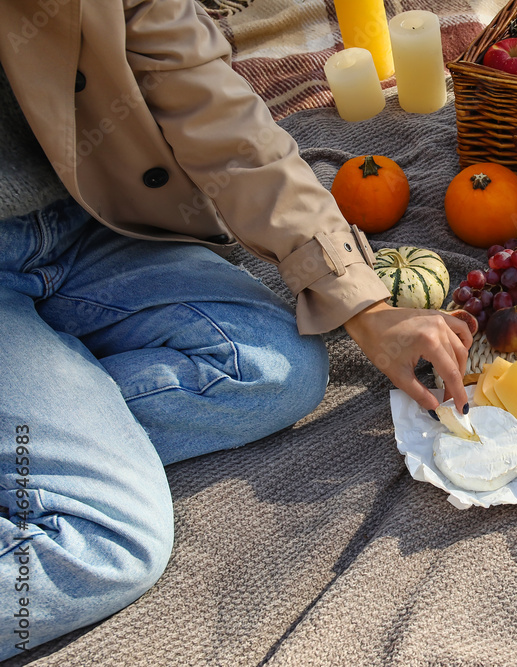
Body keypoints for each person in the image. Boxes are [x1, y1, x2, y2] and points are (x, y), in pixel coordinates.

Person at [0, 0, 471, 659]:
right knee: (112, 541)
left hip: (81, 226)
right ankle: (68, 462)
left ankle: (62, 439)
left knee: (277, 367)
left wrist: (365, 306)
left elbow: (215, 108)